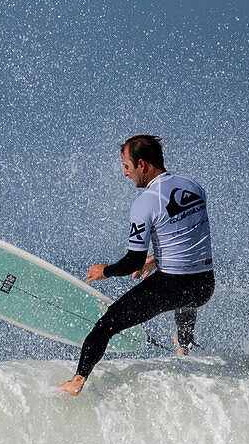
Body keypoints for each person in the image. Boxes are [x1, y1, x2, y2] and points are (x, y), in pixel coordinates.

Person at [58, 135, 215, 395]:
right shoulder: (193, 186)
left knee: (105, 325)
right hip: (204, 285)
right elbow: (188, 235)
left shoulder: (145, 202)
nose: (125, 173)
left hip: (171, 286)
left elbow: (133, 261)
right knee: (188, 299)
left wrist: (105, 271)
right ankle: (184, 347)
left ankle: (77, 381)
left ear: (142, 164)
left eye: (127, 167)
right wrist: (156, 260)